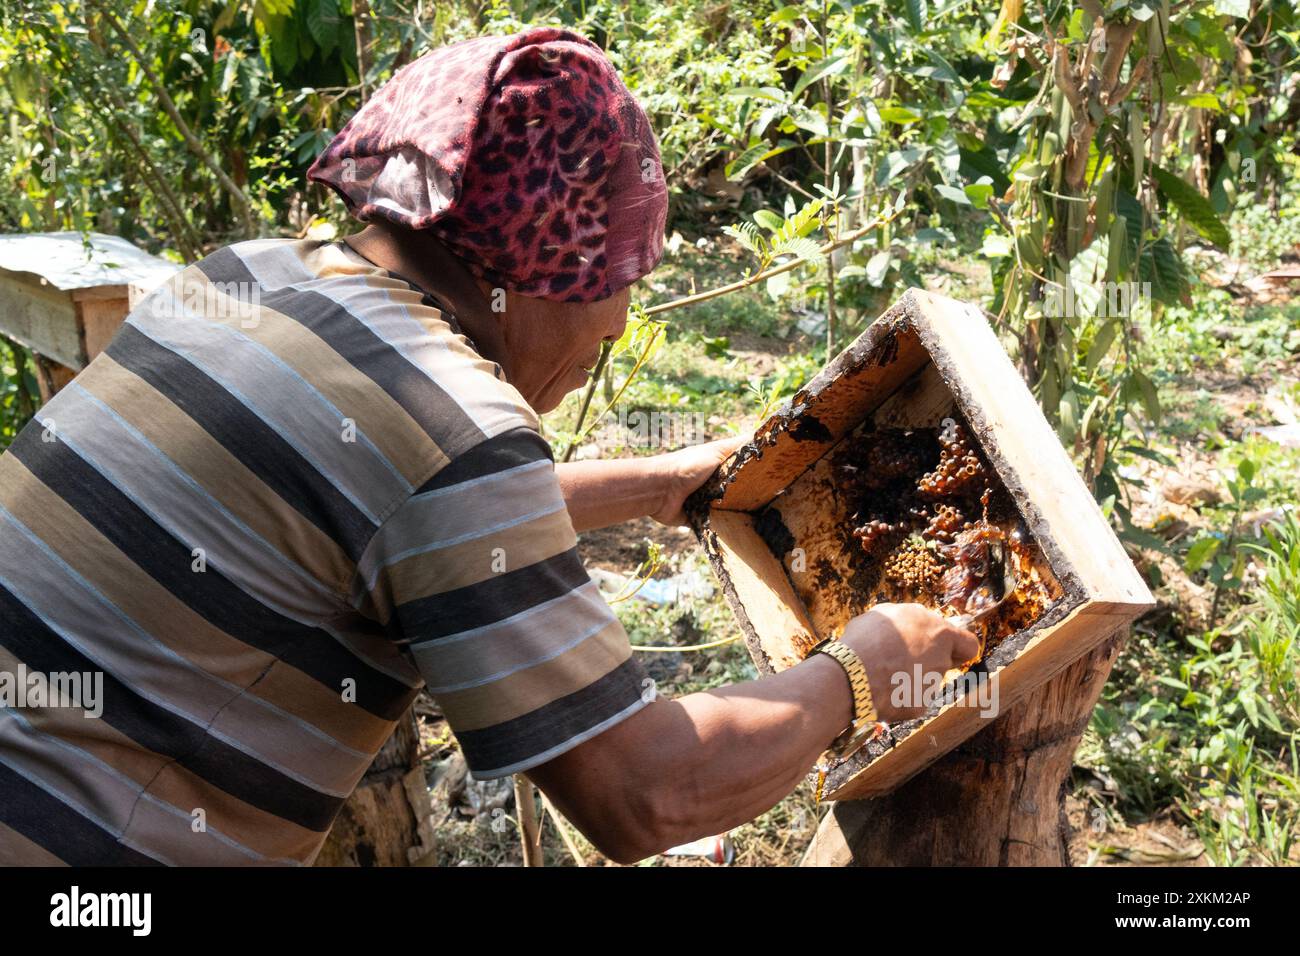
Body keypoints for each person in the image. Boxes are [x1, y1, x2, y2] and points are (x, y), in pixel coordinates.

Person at [0, 26, 976, 866]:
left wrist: (660, 483)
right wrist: (859, 671)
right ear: (558, 260)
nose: (619, 329)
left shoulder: (250, 273)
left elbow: (381, 508)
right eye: (622, 280)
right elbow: (646, 795)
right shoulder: (450, 425)